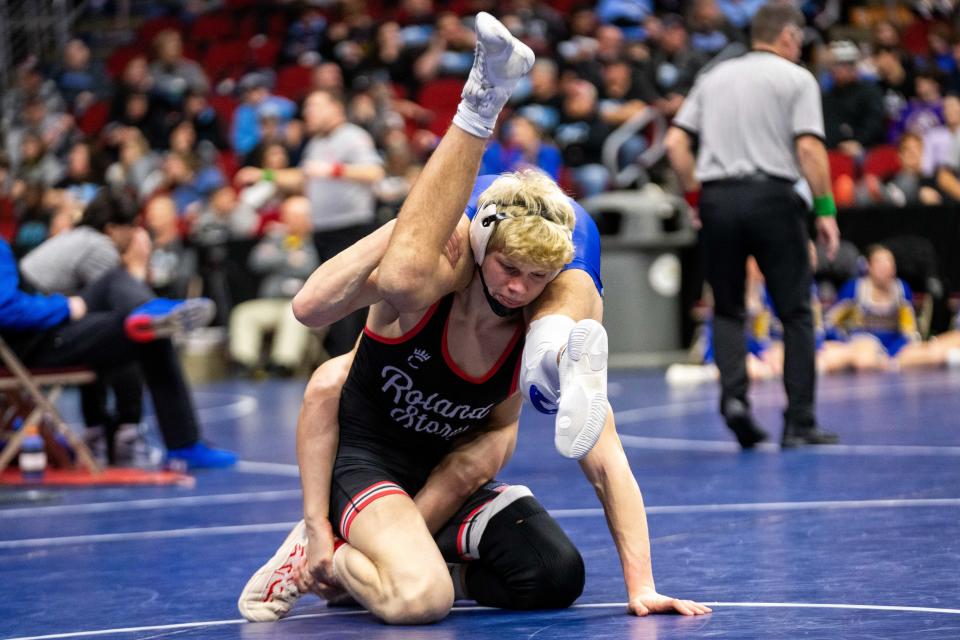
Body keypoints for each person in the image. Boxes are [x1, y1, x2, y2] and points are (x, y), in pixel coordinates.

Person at [238, 13, 709, 625]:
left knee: (553, 574)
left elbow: (605, 456)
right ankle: (332, 556)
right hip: (370, 462)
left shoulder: (541, 305)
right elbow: (314, 330)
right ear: (484, 249)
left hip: (448, 470)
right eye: (509, 268)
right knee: (420, 601)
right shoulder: (441, 275)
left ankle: (403, 553)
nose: (517, 288)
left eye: (536, 279)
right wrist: (315, 526)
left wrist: (642, 584)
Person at [665, 2, 841, 449]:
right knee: (796, 312)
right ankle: (799, 422)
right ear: (789, 37)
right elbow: (809, 151)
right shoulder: (796, 78)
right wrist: (824, 209)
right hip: (773, 199)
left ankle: (735, 402)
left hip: (718, 199)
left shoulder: (713, 76)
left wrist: (694, 197)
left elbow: (676, 143)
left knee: (727, 308)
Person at [234, 89, 386, 357]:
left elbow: (375, 172)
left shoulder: (353, 136)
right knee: (332, 298)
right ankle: (338, 358)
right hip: (323, 232)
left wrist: (334, 170)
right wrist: (266, 175)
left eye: (314, 105)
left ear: (335, 108)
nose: (307, 112)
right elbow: (302, 177)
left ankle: (354, 359)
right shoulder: (316, 144)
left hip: (350, 230)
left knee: (352, 299)